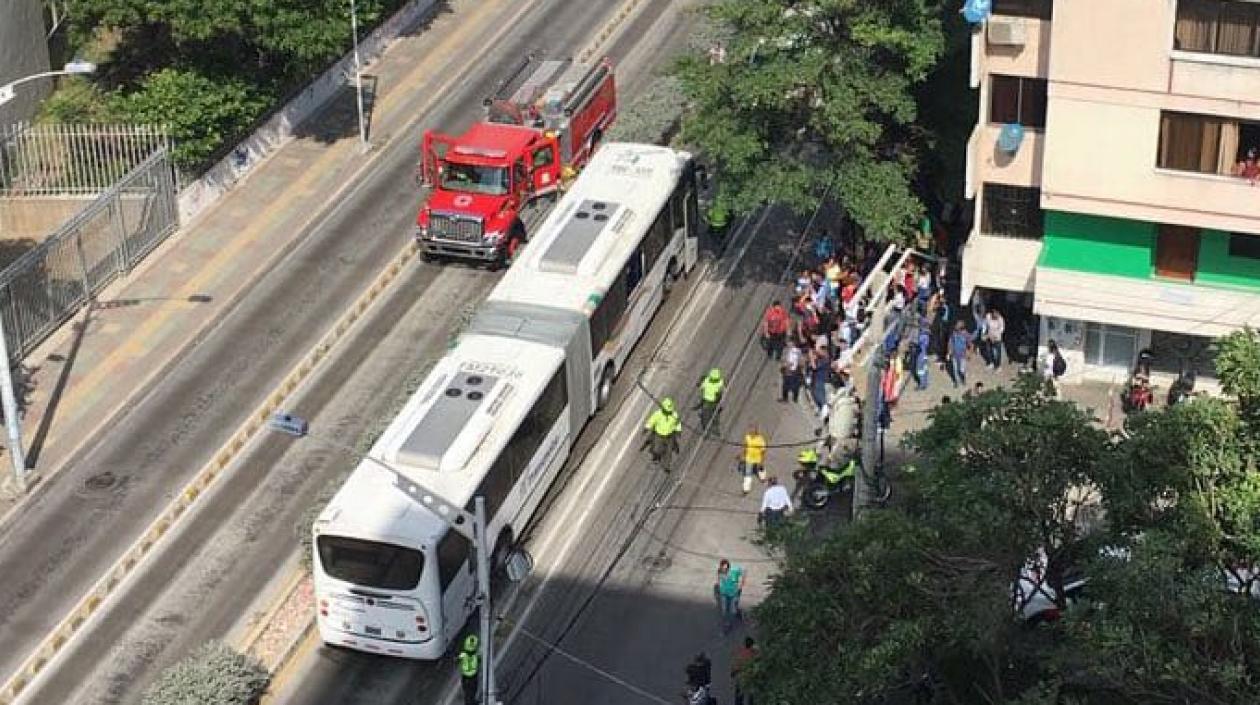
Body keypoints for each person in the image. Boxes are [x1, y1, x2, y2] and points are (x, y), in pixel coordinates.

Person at [643, 397, 682, 467]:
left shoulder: (675, 415)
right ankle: (657, 457)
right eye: (667, 410)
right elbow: (651, 421)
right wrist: (646, 428)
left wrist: (678, 431)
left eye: (670, 410)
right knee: (657, 449)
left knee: (668, 452)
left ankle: (667, 465)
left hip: (670, 436)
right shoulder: (657, 414)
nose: (668, 412)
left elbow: (677, 423)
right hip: (659, 435)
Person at [715, 559, 746, 633]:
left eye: (726, 568)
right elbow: (719, 579)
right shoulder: (720, 571)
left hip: (734, 594)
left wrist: (741, 585)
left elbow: (744, 572)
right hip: (724, 594)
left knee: (732, 610)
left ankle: (738, 613)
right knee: (724, 610)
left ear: (729, 567)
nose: (725, 570)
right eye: (723, 568)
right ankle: (727, 624)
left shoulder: (735, 570)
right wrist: (719, 586)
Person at [740, 425, 767, 494]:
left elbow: (763, 451)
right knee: (748, 473)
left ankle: (762, 477)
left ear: (755, 431)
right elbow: (745, 447)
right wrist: (742, 455)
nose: (751, 431)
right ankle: (746, 489)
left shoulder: (760, 439)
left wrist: (762, 461)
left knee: (760, 468)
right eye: (750, 429)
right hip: (749, 458)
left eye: (752, 430)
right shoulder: (747, 437)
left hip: (758, 458)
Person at [697, 368, 725, 435]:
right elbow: (722, 390)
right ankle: (714, 430)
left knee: (710, 415)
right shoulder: (719, 382)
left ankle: (710, 429)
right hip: (710, 401)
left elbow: (701, 388)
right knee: (713, 415)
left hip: (711, 401)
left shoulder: (707, 381)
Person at [732, 637, 758, 705]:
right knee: (751, 696)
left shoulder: (741, 652)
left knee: (739, 696)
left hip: (741, 678)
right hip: (751, 677)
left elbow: (736, 665)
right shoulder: (754, 653)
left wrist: (733, 672)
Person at [458, 633, 480, 705]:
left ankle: (470, 702)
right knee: (472, 691)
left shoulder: (463, 655)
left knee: (467, 692)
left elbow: (458, 660)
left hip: (465, 676)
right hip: (472, 676)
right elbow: (479, 661)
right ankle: (472, 702)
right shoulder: (476, 656)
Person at [948, 320, 970, 388]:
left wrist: (969, 353)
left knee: (962, 369)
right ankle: (956, 382)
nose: (956, 326)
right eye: (956, 325)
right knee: (955, 369)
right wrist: (949, 352)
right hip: (955, 354)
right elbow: (950, 343)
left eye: (958, 325)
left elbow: (970, 344)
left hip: (963, 354)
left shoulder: (966, 334)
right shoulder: (953, 334)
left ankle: (963, 379)